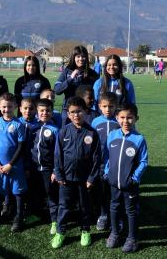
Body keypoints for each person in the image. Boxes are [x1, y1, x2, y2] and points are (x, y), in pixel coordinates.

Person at [51, 96, 101, 249]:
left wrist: (92, 177)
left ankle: (85, 230)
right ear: (67, 113)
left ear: (85, 112)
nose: (75, 115)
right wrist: (58, 174)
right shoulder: (63, 131)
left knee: (84, 207)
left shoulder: (92, 133)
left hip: (84, 179)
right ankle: (61, 231)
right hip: (65, 178)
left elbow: (96, 158)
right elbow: (58, 155)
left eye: (79, 111)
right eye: (72, 112)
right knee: (64, 206)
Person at [104, 103, 148, 253]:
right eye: (122, 117)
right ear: (117, 118)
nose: (125, 121)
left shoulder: (139, 139)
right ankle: (115, 233)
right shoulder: (112, 136)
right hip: (113, 183)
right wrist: (107, 173)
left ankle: (132, 238)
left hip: (130, 184)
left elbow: (143, 161)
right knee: (114, 207)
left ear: (136, 119)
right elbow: (106, 157)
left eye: (130, 118)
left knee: (131, 211)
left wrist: (135, 178)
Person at [0, 93, 27, 233]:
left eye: (10, 107)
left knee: (17, 191)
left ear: (16, 107)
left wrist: (11, 164)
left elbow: (20, 147)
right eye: (4, 107)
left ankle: (18, 216)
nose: (7, 109)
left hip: (15, 165)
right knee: (0, 189)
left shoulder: (18, 124)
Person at [29, 98, 60, 235]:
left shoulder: (55, 130)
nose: (44, 113)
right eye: (42, 110)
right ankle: (38, 214)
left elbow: (58, 153)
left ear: (52, 112)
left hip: (48, 169)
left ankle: (55, 220)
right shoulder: (33, 126)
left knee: (51, 194)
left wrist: (55, 170)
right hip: (35, 168)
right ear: (37, 112)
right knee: (36, 192)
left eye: (48, 110)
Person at [90, 92, 119, 231]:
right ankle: (103, 215)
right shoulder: (95, 122)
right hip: (101, 163)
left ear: (116, 107)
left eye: (111, 106)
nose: (108, 109)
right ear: (99, 106)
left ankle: (117, 217)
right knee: (101, 191)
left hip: (115, 164)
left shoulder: (119, 121)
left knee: (115, 191)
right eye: (105, 106)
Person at [54, 46, 99, 126]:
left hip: (85, 111)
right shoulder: (66, 72)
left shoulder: (92, 74)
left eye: (83, 56)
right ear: (73, 57)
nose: (81, 59)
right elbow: (57, 90)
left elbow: (96, 93)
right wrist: (70, 78)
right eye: (78, 56)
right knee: (66, 134)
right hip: (68, 110)